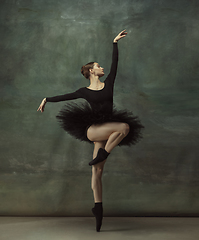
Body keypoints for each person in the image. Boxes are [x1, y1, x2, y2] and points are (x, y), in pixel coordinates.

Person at [37, 29, 144, 232]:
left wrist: (115, 43)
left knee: (97, 170)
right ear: (92, 71)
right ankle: (103, 152)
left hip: (107, 129)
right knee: (124, 127)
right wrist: (46, 99)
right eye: (98, 66)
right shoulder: (83, 92)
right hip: (93, 130)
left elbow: (115, 65)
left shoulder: (109, 84)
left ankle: (98, 208)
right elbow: (64, 97)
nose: (102, 67)